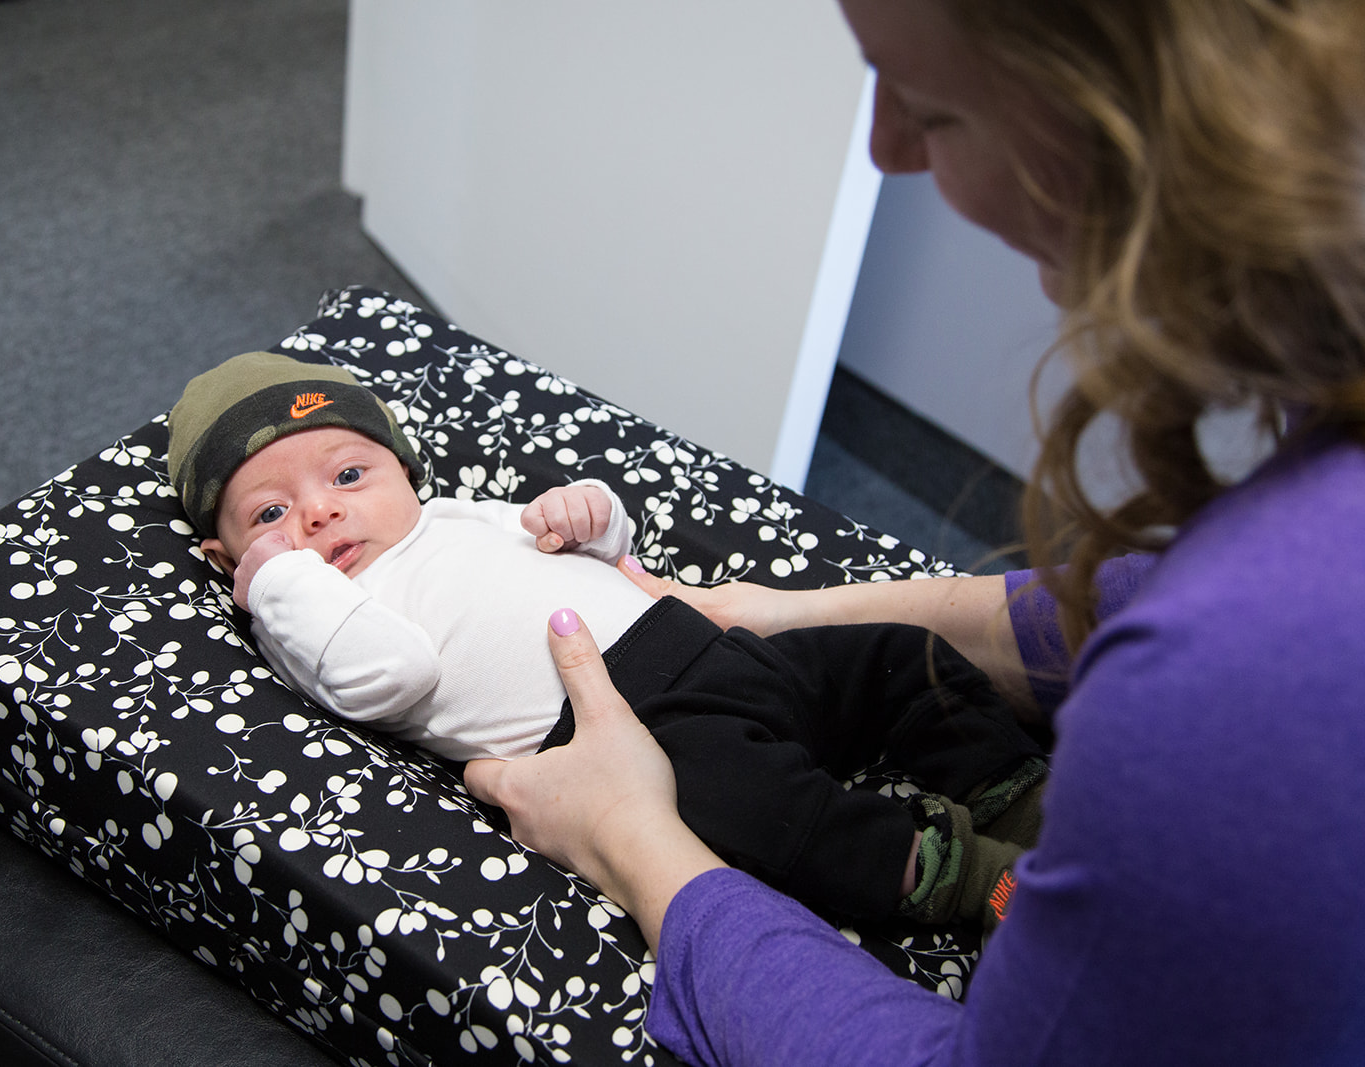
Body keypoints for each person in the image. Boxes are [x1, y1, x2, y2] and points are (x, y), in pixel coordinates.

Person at [461, 0, 1365, 1064]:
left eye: (930, 112)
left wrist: (631, 838)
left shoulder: (1237, 674)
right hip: (718, 652)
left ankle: (974, 852)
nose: (884, 149)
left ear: (1129, 111)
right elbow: (1129, 596)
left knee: (770, 789)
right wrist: (791, 610)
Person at [166, 350, 1048, 930]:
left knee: (894, 653)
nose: (320, 510)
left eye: (349, 473)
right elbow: (391, 676)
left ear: (403, 469)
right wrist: (281, 580)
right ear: (226, 557)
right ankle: (963, 876)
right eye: (272, 513)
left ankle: (1015, 793)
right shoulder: (316, 616)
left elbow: (599, 554)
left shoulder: (447, 516)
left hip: (704, 641)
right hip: (634, 735)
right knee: (773, 816)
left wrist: (587, 515)